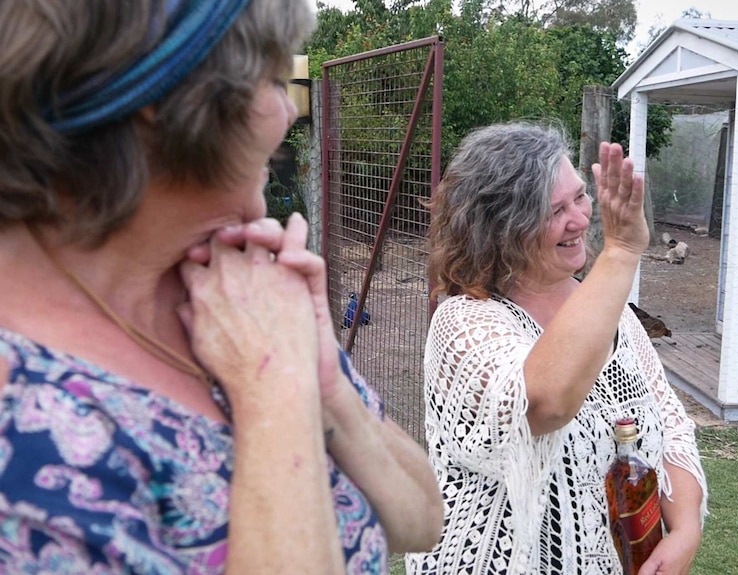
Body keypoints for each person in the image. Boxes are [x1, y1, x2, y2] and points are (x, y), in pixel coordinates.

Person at [0, 1, 443, 573]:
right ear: (166, 94)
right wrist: (275, 389)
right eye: (273, 80)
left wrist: (329, 389)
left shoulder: (239, 282)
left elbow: (422, 520)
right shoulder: (22, 435)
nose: (288, 113)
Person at [405, 121, 707, 575]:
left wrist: (684, 530)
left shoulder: (614, 316)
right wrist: (621, 251)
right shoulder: (463, 322)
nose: (582, 219)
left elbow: (669, 423)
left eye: (581, 196)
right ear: (503, 229)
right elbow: (543, 404)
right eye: (555, 211)